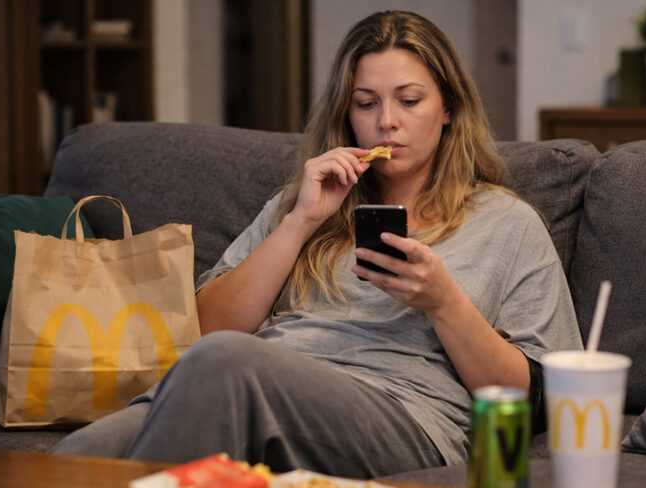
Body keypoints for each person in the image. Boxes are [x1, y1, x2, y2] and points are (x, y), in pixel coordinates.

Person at [52, 10, 582, 478]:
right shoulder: (306, 203)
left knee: (224, 364)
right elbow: (207, 331)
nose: (386, 122)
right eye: (366, 103)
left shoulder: (507, 224)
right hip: (251, 384)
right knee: (81, 454)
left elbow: (542, 396)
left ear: (449, 108)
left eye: (409, 100)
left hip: (405, 414)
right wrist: (301, 221)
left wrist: (443, 301)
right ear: (346, 114)